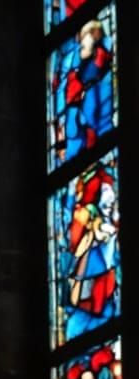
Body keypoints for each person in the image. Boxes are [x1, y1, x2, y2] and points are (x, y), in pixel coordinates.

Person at [65, 168, 119, 336]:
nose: (109, 207)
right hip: (89, 280)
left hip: (103, 282)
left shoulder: (109, 228)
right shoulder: (89, 223)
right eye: (105, 204)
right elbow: (78, 253)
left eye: (111, 204)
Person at [64, 18, 114, 158]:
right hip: (84, 107)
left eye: (87, 36)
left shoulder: (101, 54)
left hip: (98, 99)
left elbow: (92, 73)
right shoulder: (76, 61)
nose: (83, 42)